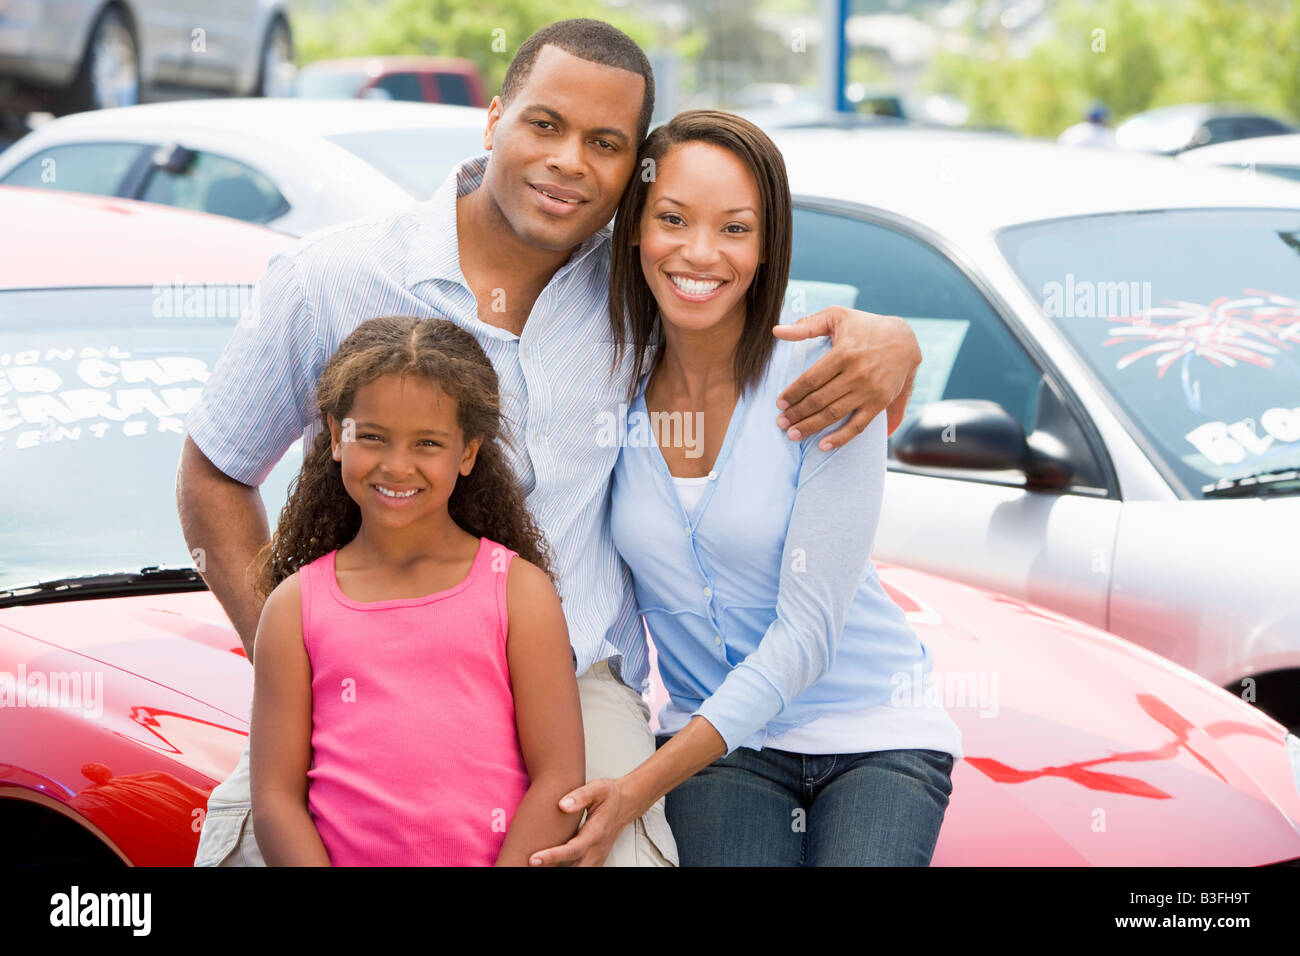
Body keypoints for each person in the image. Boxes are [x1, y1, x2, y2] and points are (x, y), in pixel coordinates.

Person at [180, 18, 923, 868]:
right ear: (493, 119)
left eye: (604, 142)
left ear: (633, 172)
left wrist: (892, 340)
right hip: (362, 673)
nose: (570, 160)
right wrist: (291, 658)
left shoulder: (637, 286)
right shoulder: (332, 276)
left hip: (577, 683)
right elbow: (213, 473)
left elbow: (741, 296)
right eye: (545, 124)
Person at [530, 111, 962, 867]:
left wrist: (635, 789)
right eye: (672, 219)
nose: (700, 253)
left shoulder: (831, 377)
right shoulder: (606, 390)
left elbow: (807, 637)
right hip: (721, 751)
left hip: (875, 732)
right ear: (635, 228)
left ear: (767, 250)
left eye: (735, 229)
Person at [248, 316, 582, 865]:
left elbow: (558, 780)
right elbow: (275, 802)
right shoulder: (295, 608)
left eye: (427, 443)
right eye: (372, 437)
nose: (396, 465)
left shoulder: (519, 593)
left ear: (468, 452)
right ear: (336, 436)